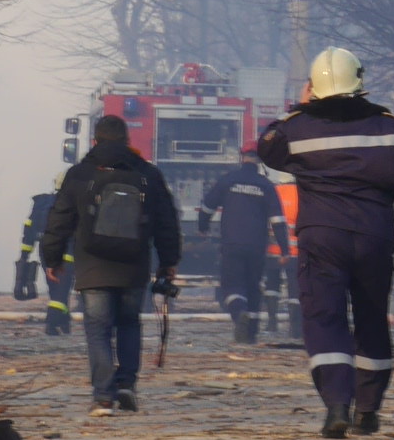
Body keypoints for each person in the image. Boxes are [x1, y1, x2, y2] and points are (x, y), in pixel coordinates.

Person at [258, 46, 394, 438]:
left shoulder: (297, 127)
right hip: (375, 235)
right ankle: (368, 409)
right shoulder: (389, 127)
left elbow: (267, 146)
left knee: (326, 317)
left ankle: (337, 404)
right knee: (372, 317)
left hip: (322, 236)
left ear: (314, 88)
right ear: (360, 81)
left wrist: (299, 107)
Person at [40, 115, 183, 413]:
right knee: (130, 323)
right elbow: (167, 222)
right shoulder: (148, 174)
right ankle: (126, 384)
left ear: (95, 141)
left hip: (93, 266)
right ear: (127, 141)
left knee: (98, 328)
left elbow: (59, 219)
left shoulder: (79, 174)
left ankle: (103, 396)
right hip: (134, 265)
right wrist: (168, 262)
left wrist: (51, 258)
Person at [199, 148, 289, 345]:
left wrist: (202, 227)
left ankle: (239, 313)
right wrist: (284, 249)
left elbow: (207, 206)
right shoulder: (265, 185)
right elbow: (278, 219)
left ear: (242, 158)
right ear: (259, 161)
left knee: (231, 285)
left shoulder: (229, 180)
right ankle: (251, 334)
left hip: (232, 243)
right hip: (257, 246)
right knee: (253, 288)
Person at [18, 181, 75, 335]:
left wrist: (24, 255)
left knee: (55, 288)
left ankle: (64, 321)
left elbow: (29, 230)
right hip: (66, 254)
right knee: (61, 291)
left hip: (45, 252)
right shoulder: (73, 203)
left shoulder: (41, 204)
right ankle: (51, 324)